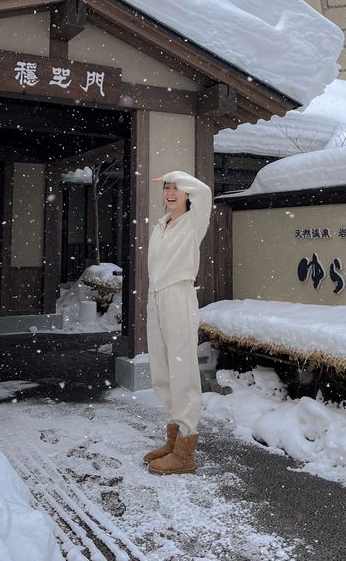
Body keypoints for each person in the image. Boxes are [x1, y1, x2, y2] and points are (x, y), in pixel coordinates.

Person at [143, 170, 212, 476]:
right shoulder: (161, 225)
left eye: (177, 188)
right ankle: (173, 441)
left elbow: (205, 192)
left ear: (186, 194)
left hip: (179, 296)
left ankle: (185, 451)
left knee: (182, 372)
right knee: (162, 370)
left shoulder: (194, 221)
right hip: (156, 296)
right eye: (167, 188)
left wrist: (175, 175)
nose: (170, 192)